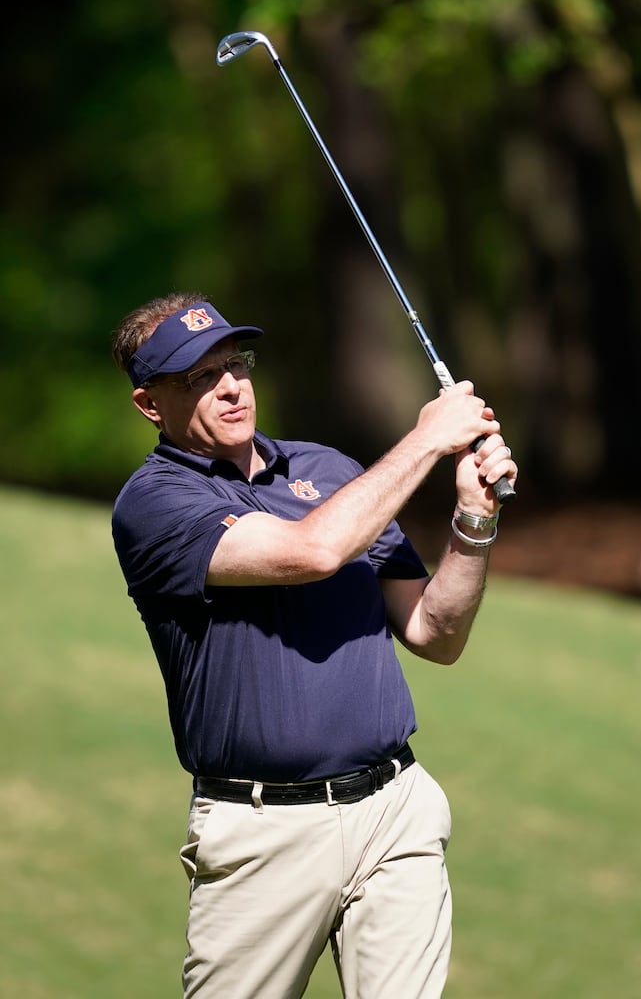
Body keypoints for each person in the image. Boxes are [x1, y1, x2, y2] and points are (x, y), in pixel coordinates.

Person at [111, 290, 517, 999]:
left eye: (234, 363)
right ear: (151, 404)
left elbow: (432, 632)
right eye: (198, 378)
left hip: (394, 810)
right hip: (264, 831)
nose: (231, 386)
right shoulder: (155, 503)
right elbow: (312, 550)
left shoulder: (327, 470)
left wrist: (472, 519)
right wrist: (427, 438)